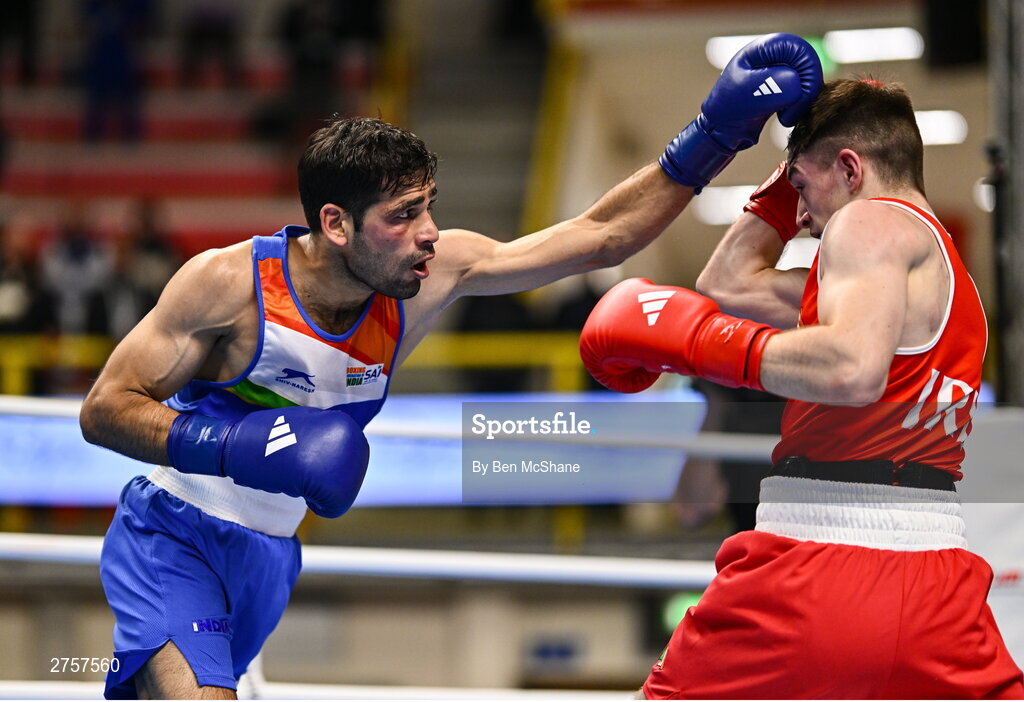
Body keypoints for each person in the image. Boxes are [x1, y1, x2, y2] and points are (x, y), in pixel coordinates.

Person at [78, 33, 823, 699]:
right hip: (172, 533)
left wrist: (714, 135)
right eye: (401, 216)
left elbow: (601, 235)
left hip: (270, 556)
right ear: (335, 224)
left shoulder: (432, 276)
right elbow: (105, 407)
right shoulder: (228, 284)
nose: (428, 233)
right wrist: (233, 443)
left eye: (428, 205)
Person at [580, 78, 1024, 698]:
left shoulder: (867, 224)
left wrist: (702, 346)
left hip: (813, 560)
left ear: (849, 167)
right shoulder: (946, 279)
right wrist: (787, 179)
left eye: (805, 192)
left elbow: (849, 369)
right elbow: (729, 283)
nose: (804, 216)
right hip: (937, 576)